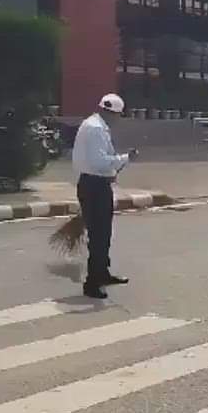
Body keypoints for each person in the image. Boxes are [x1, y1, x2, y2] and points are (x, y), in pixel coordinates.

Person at [72, 93, 139, 300]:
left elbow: (101, 162)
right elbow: (99, 161)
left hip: (95, 184)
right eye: (118, 116)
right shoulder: (96, 128)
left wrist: (116, 165)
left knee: (103, 234)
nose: (118, 120)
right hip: (94, 186)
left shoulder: (95, 125)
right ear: (111, 113)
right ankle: (92, 283)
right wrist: (125, 158)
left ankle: (102, 273)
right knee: (99, 236)